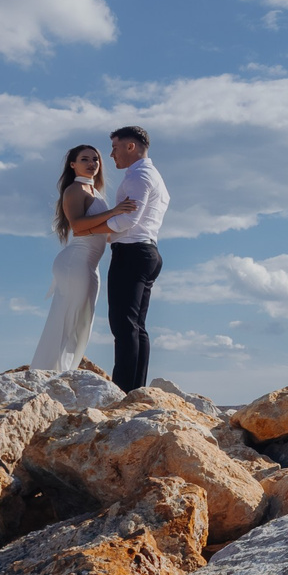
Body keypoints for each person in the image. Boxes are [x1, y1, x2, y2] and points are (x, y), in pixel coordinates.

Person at [27, 143, 124, 370]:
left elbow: (105, 234)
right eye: (85, 160)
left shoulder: (95, 193)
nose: (92, 164)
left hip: (90, 265)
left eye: (95, 160)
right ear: (73, 165)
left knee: (82, 323)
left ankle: (64, 371)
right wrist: (114, 212)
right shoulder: (74, 190)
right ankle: (48, 372)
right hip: (76, 262)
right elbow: (78, 227)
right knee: (66, 320)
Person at [103, 125, 170, 391]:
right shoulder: (152, 175)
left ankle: (123, 391)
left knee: (124, 325)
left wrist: (89, 227)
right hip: (146, 251)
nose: (111, 155)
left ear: (130, 147)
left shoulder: (138, 176)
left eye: (115, 147)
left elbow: (128, 220)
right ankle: (135, 390)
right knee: (136, 326)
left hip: (132, 252)